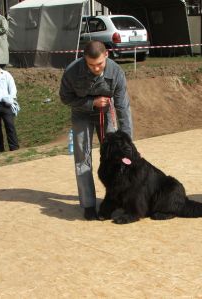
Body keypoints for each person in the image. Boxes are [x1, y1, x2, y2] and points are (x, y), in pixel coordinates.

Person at [59, 40, 133, 220]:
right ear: (84, 59)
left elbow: (123, 107)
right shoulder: (72, 71)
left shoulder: (116, 72)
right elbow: (65, 97)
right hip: (81, 113)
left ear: (106, 54)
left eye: (99, 64)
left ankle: (116, 200)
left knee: (115, 156)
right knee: (82, 158)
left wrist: (127, 140)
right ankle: (88, 204)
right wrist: (91, 103)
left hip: (107, 112)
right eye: (91, 65)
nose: (97, 69)